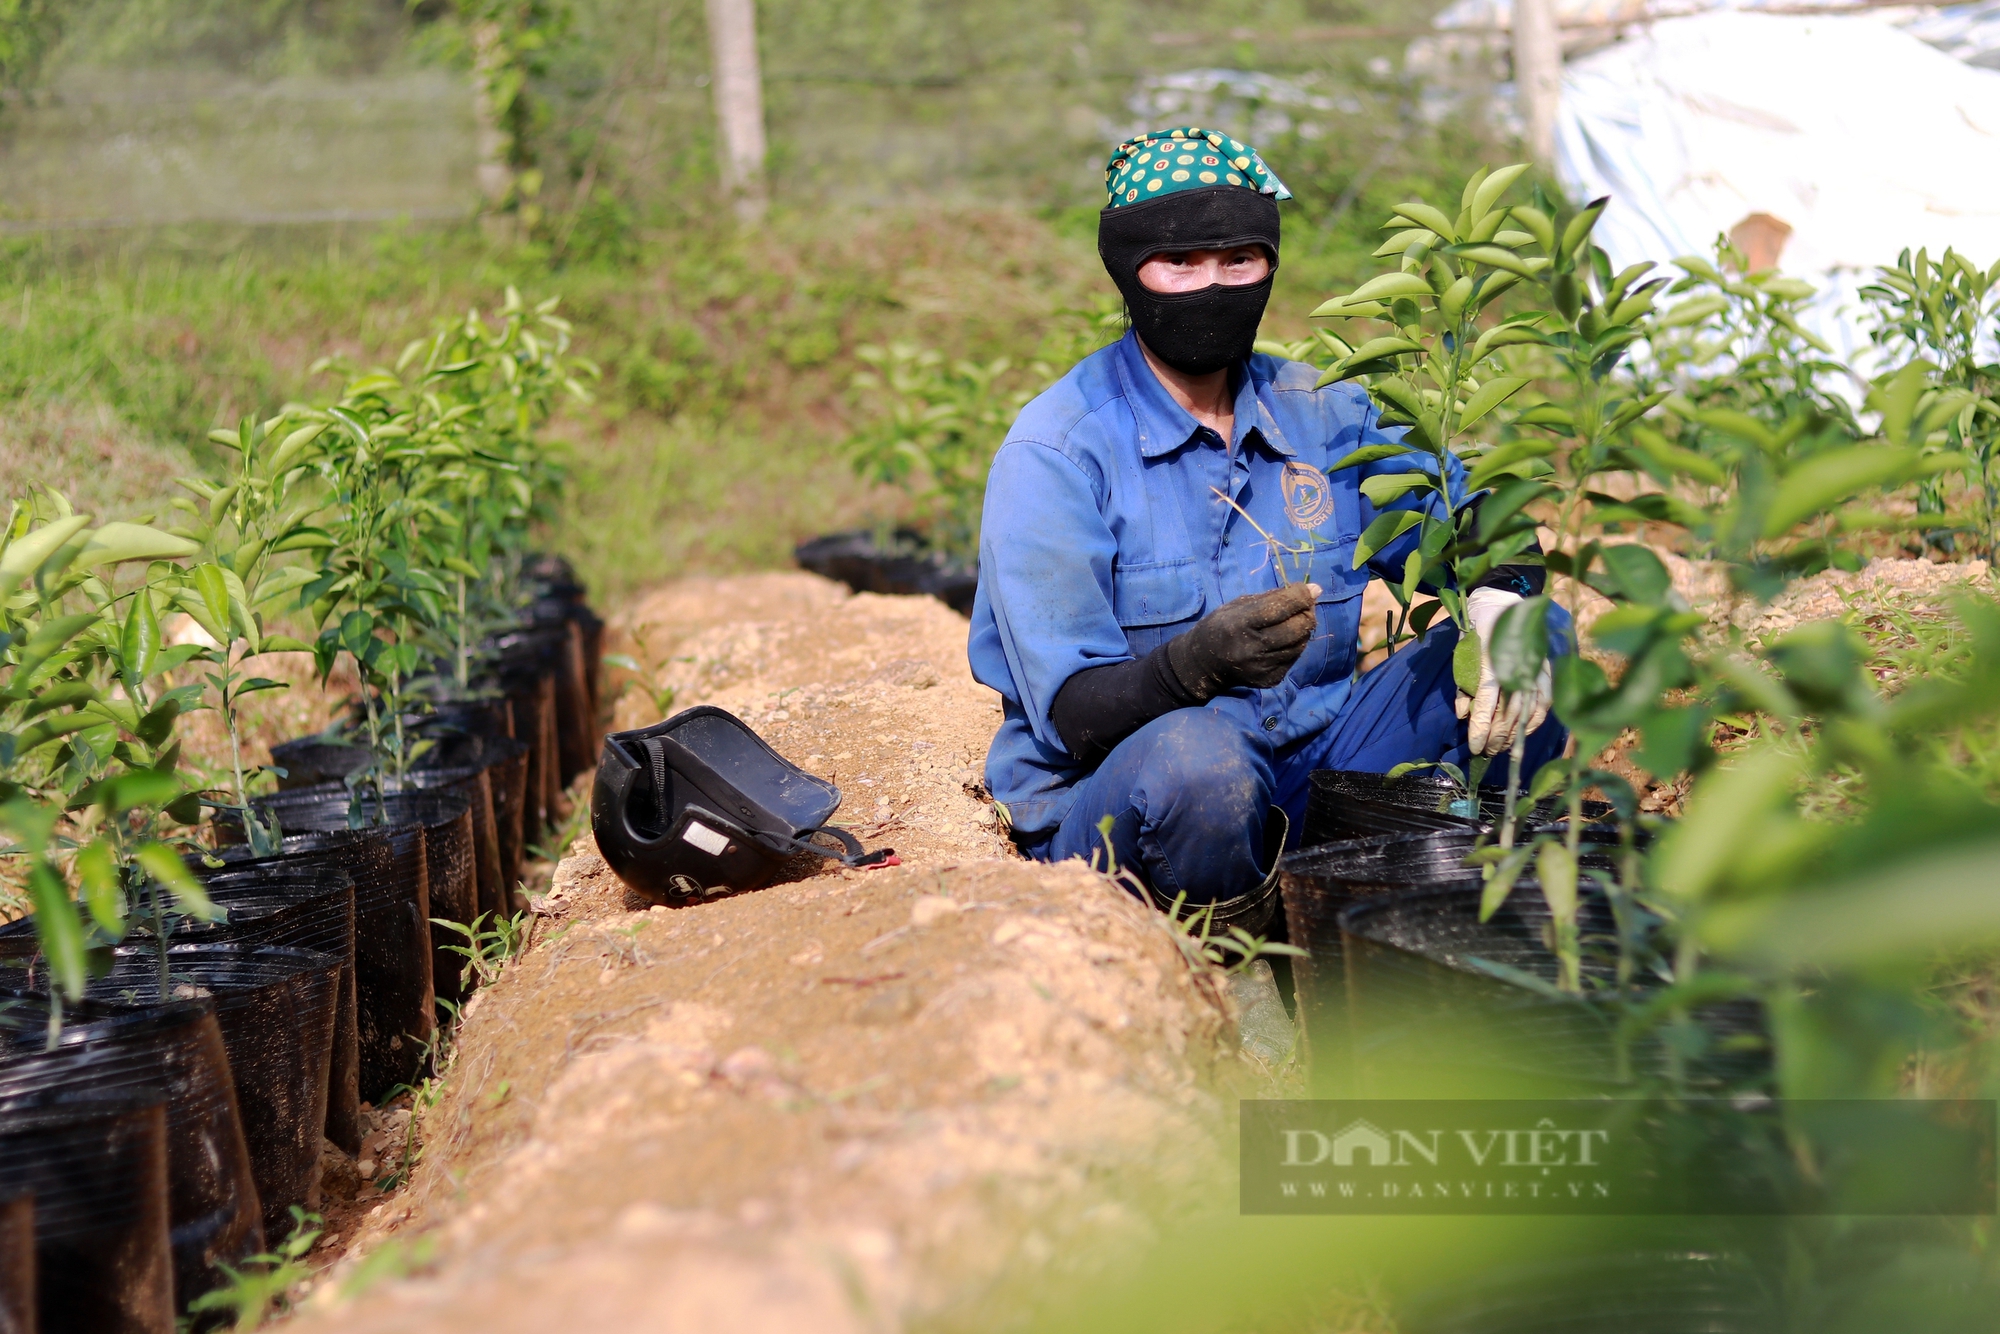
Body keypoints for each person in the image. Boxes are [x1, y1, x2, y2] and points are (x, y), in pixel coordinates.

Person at [966, 126, 1568, 928]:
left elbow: (1478, 524)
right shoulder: (1058, 452)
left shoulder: (1328, 410)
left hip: (1314, 769)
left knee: (1537, 633)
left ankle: (1455, 912)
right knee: (1200, 759)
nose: (1212, 286)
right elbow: (1074, 716)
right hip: (1132, 803)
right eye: (1179, 263)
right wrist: (1192, 667)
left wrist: (1503, 592)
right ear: (1128, 269)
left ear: (1270, 266)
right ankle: (1240, 984)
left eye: (1239, 260)